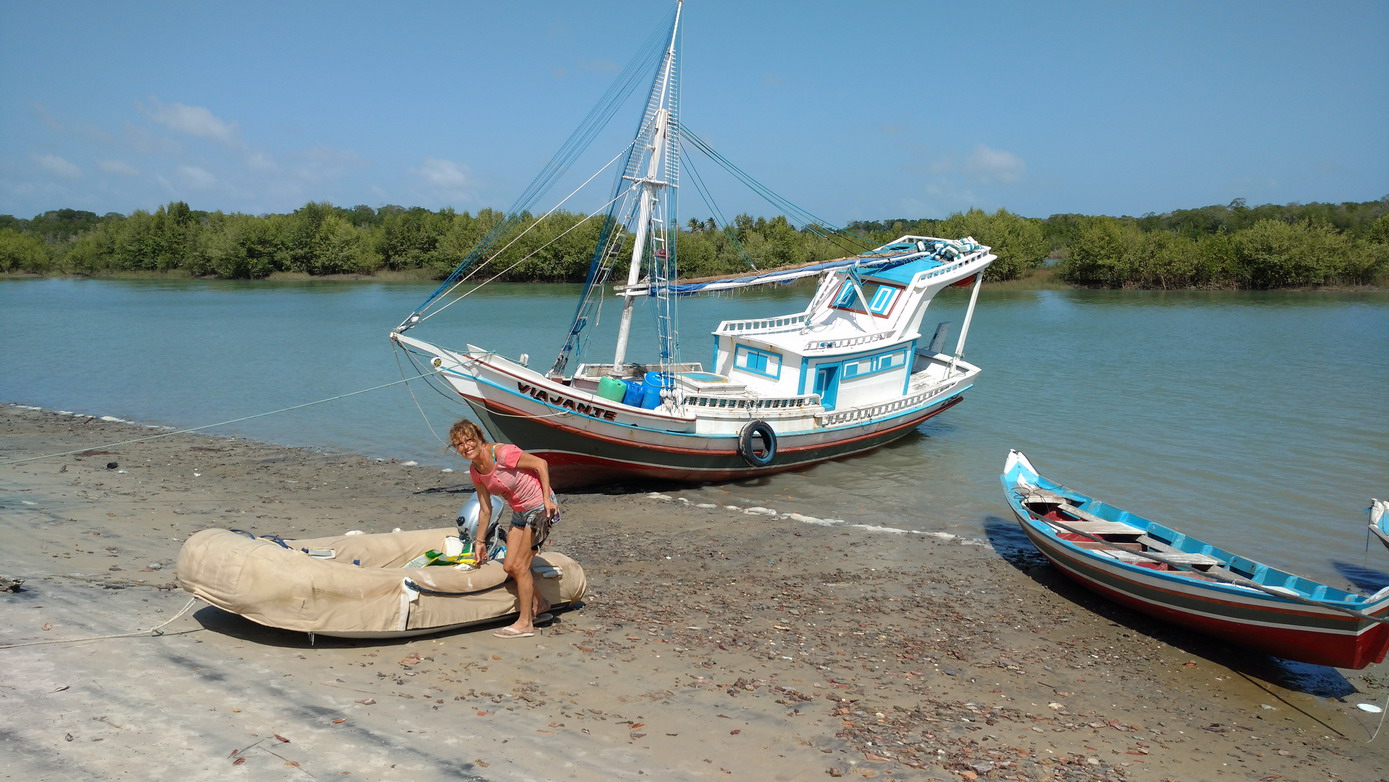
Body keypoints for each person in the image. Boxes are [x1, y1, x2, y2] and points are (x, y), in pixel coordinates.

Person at [449, 419, 558, 639]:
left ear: (480, 439)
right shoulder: (476, 470)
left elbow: (540, 464)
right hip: (519, 512)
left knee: (520, 565)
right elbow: (485, 509)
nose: (466, 446)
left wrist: (547, 501)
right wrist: (479, 543)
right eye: (460, 444)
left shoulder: (503, 454)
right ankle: (542, 604)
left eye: (469, 440)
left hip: (540, 508)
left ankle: (526, 623)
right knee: (509, 566)